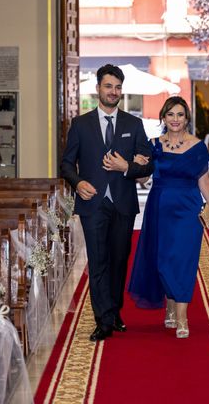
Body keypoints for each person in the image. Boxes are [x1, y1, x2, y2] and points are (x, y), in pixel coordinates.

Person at [61, 63, 154, 342]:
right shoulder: (80, 124)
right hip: (93, 204)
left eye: (117, 87)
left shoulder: (133, 124)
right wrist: (78, 183)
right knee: (98, 261)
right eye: (108, 86)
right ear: (98, 88)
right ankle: (103, 319)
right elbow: (66, 164)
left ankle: (114, 311)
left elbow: (148, 164)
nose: (113, 92)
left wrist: (127, 166)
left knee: (118, 260)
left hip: (123, 204)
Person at [128, 96, 209, 338]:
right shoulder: (153, 144)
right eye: (170, 114)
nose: (175, 119)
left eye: (180, 114)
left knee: (183, 260)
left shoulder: (197, 146)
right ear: (163, 118)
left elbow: (204, 179)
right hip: (159, 208)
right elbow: (142, 179)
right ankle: (169, 305)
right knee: (162, 260)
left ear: (187, 118)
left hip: (188, 209)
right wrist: (136, 166)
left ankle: (181, 317)